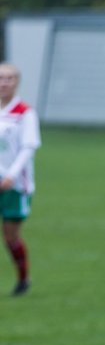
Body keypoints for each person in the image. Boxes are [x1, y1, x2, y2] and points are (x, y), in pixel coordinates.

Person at [0, 62, 41, 296]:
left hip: (15, 185)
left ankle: (23, 279)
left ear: (17, 82)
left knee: (10, 236)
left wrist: (11, 175)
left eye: (9, 78)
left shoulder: (25, 112)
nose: (3, 83)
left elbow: (29, 147)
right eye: (0, 78)